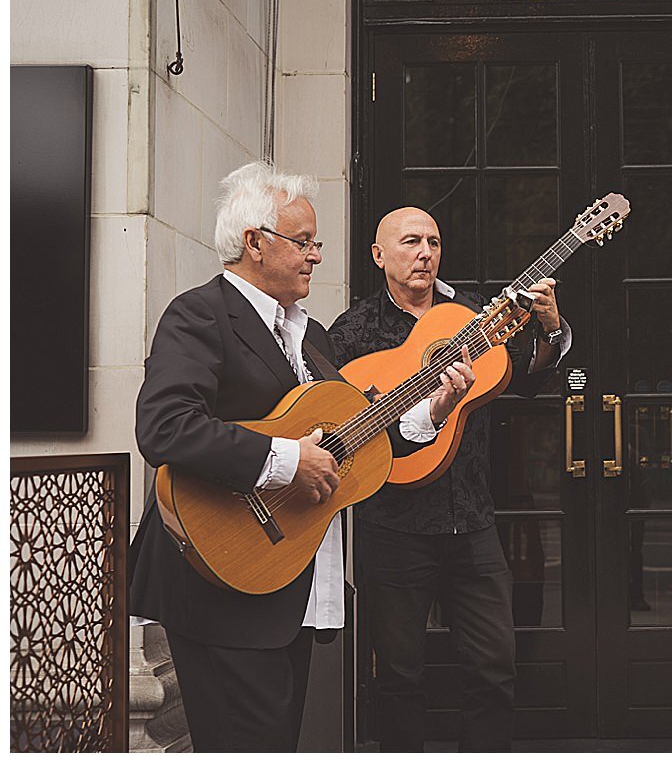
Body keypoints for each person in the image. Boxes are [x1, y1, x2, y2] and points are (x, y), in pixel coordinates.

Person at [328, 206, 569, 752]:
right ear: (379, 255)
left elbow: (527, 380)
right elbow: (337, 428)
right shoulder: (353, 331)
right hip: (393, 523)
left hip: (472, 519)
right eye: (411, 241)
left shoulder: (469, 321)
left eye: (434, 242)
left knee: (493, 667)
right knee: (399, 674)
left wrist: (551, 328)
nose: (425, 253)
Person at [128, 162, 349, 751]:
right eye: (304, 242)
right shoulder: (199, 314)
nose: (316, 256)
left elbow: (349, 439)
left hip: (285, 579)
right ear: (255, 243)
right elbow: (165, 426)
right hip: (218, 574)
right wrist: (283, 460)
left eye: (315, 243)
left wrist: (432, 408)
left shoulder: (314, 335)